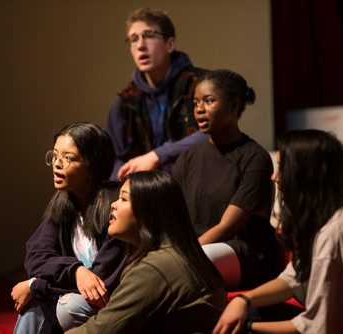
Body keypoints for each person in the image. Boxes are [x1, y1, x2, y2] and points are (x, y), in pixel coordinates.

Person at [213, 129, 343, 334]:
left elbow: (320, 328)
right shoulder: (329, 213)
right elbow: (294, 277)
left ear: (305, 175)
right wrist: (244, 300)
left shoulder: (336, 233)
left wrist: (247, 327)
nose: (274, 177)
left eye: (281, 168)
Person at [66, 170, 227, 333]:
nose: (113, 204)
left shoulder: (155, 267)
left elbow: (102, 330)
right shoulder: (178, 254)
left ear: (147, 211)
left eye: (123, 199)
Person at [11, 123, 127, 333]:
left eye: (68, 158)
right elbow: (36, 256)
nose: (57, 164)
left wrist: (34, 286)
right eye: (55, 156)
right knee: (33, 307)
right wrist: (75, 271)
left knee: (67, 306)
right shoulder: (64, 202)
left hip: (112, 300)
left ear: (92, 165)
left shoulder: (115, 205)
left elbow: (100, 284)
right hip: (75, 294)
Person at [173, 69, 282, 290]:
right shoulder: (188, 158)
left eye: (208, 101)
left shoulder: (255, 157)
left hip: (242, 253)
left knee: (198, 259)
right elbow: (172, 216)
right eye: (195, 103)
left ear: (234, 105)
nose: (199, 109)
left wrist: (180, 256)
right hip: (197, 249)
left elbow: (227, 227)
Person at [107, 7, 208, 180]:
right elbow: (113, 157)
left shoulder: (201, 85)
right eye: (134, 39)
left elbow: (214, 131)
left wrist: (157, 155)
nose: (140, 45)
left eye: (149, 36)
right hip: (145, 192)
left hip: (195, 184)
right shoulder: (126, 101)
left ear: (170, 44)